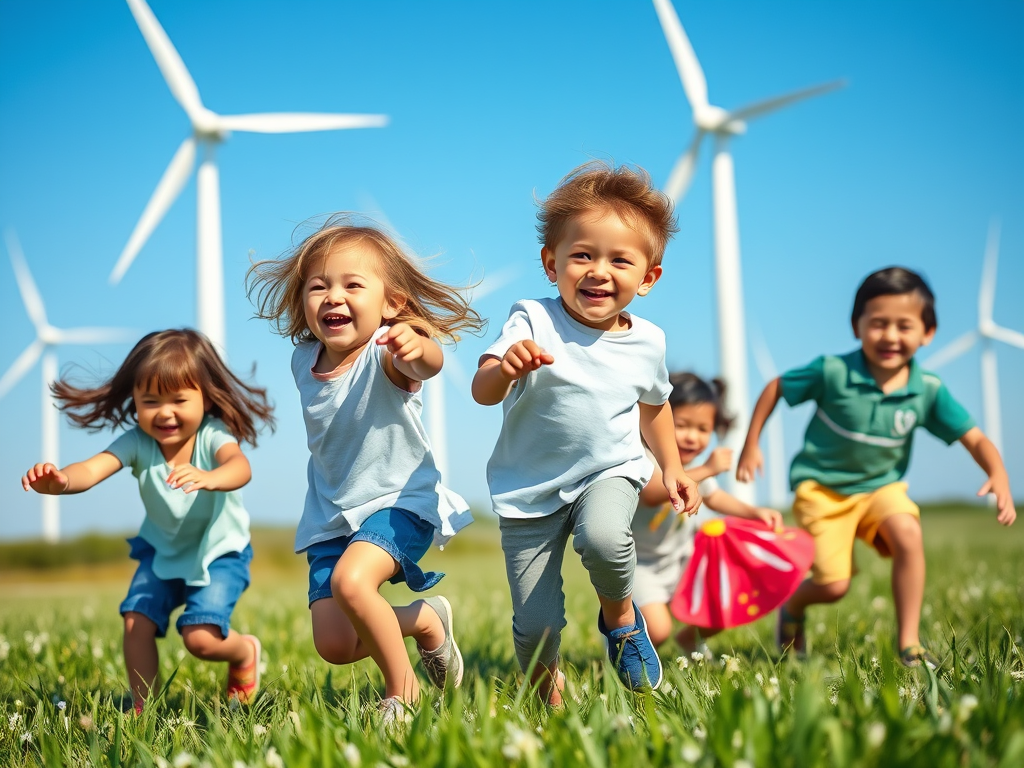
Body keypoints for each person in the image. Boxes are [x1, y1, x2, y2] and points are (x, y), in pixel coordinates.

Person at [472, 161, 702, 705]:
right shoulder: (531, 318)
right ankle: (546, 702)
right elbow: (482, 391)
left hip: (611, 469)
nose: (598, 270)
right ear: (552, 264)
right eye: (582, 255)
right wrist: (505, 369)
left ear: (648, 277)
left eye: (619, 260)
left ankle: (621, 618)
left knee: (603, 538)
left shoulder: (649, 341)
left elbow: (655, 406)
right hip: (528, 486)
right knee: (535, 625)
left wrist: (672, 466)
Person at [247, 215, 484, 719]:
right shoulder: (302, 360)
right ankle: (424, 621)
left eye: (353, 285)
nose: (333, 297)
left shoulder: (387, 353)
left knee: (353, 584)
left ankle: (403, 695)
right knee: (335, 643)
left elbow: (424, 364)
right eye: (318, 287)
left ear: (391, 303)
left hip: (399, 503)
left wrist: (418, 349)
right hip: (330, 517)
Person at [737, 267, 1017, 667]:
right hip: (822, 490)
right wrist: (751, 445)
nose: (890, 336)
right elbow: (777, 386)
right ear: (857, 326)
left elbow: (973, 437)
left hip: (881, 488)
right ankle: (794, 604)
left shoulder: (928, 389)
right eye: (878, 324)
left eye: (904, 326)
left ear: (927, 333)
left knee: (907, 531)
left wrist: (998, 472)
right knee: (834, 586)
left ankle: (909, 643)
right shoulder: (833, 371)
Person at [21, 329, 275, 711]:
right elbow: (90, 470)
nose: (165, 412)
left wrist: (209, 477)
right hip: (161, 552)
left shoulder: (212, 435)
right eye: (150, 400)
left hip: (218, 552)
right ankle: (145, 706)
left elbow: (239, 467)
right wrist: (60, 481)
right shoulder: (138, 441)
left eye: (179, 399)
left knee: (201, 639)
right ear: (135, 401)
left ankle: (242, 654)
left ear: (206, 398)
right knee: (136, 621)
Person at [633, 372, 782, 650]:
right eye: (682, 425)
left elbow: (715, 497)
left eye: (703, 429)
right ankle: (620, 644)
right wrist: (708, 469)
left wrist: (753, 512)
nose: (692, 437)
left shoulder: (696, 466)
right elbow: (652, 494)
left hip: (683, 559)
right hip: (641, 566)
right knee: (658, 629)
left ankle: (690, 640)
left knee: (725, 600)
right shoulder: (645, 456)